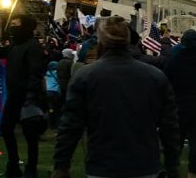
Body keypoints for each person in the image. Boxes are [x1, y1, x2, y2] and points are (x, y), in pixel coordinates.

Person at [53, 16, 180, 178]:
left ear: (101, 40)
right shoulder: (155, 76)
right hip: (144, 164)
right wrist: (172, 166)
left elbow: (70, 126)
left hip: (102, 165)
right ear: (128, 39)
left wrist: (61, 166)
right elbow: (169, 126)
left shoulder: (85, 76)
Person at [164, 29, 196, 178]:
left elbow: (165, 83)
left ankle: (172, 172)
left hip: (178, 107)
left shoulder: (173, 61)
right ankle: (192, 174)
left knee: (175, 144)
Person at [1, 15, 46, 178]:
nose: (12, 27)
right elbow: (0, 53)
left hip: (27, 96)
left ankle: (31, 168)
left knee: (30, 135)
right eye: (11, 24)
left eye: (15, 24)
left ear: (25, 27)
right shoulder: (14, 45)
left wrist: (31, 96)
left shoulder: (33, 46)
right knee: (6, 128)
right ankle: (13, 164)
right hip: (14, 95)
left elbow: (35, 73)